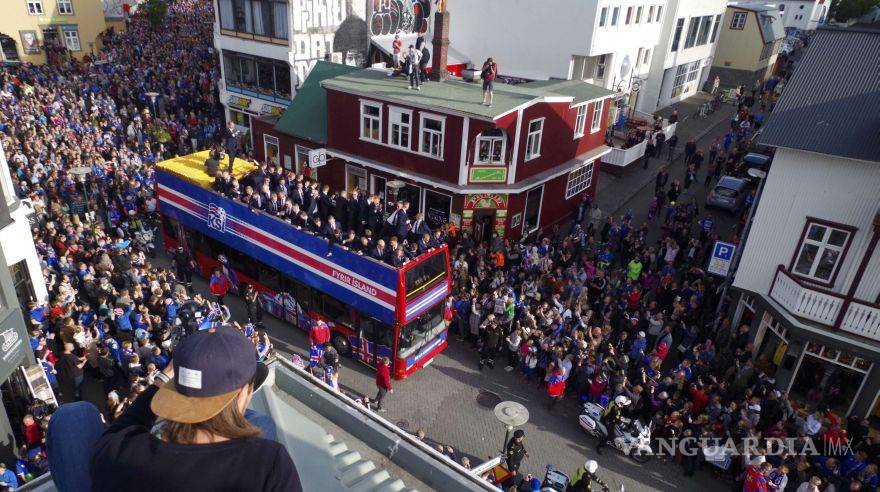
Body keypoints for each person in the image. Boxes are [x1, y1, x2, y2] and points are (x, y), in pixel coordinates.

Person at [87, 325, 301, 491]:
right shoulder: (269, 463)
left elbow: (120, 428)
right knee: (262, 422)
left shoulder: (121, 451)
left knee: (74, 414)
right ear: (243, 393)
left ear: (176, 393)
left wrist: (160, 381)